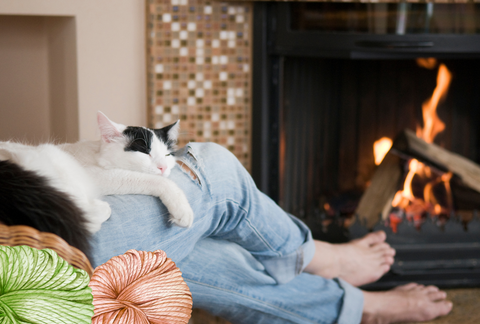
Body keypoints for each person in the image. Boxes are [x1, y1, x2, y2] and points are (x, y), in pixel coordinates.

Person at [90, 142, 452, 324]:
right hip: (62, 245)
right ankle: (320, 257)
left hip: (56, 263)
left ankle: (355, 307)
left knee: (195, 251)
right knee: (212, 169)